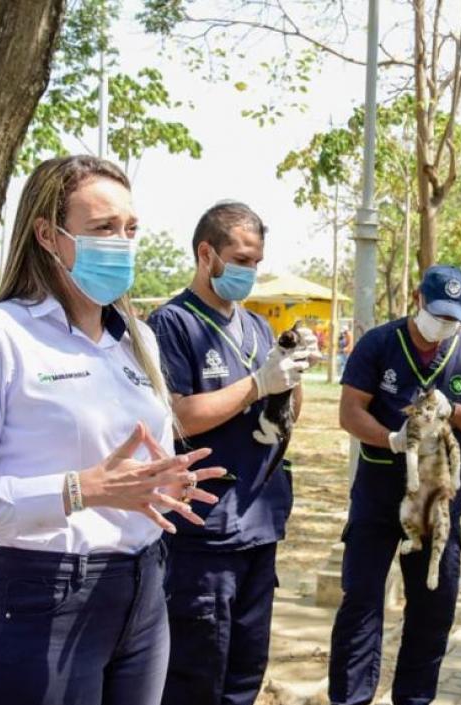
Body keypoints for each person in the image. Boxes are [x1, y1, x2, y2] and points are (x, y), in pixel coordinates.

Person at [0, 155, 226, 705]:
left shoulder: (138, 342)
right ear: (47, 235)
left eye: (130, 229)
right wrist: (79, 490)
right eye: (103, 228)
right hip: (39, 604)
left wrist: (156, 483)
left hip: (143, 594)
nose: (122, 244)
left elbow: (120, 467)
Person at [147, 201, 318, 705]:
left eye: (256, 262)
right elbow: (176, 416)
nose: (250, 271)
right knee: (196, 674)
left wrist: (292, 373)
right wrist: (256, 384)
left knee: (246, 672)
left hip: (258, 524)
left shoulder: (258, 327)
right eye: (241, 260)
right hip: (204, 534)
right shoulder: (172, 324)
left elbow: (288, 415)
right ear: (207, 254)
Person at [327, 265, 461, 705]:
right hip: (378, 495)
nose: (442, 325)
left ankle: (414, 698)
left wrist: (453, 410)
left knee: (432, 607)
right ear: (417, 299)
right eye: (436, 313)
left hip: (435, 504)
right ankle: (350, 699)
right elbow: (350, 411)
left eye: (452, 318)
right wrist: (391, 438)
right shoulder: (379, 343)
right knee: (361, 601)